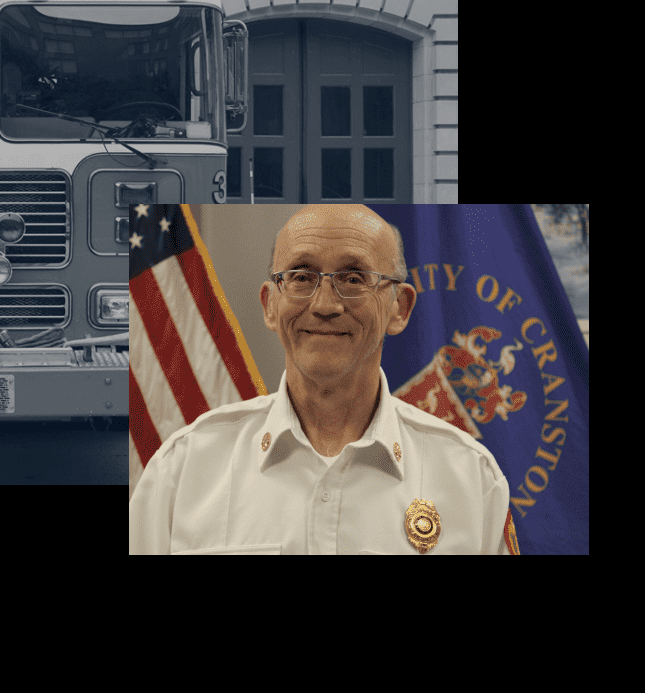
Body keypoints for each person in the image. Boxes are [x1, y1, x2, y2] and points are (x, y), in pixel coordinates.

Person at [128, 204, 518, 555]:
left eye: (353, 278)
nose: (325, 305)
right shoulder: (183, 470)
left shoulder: (470, 479)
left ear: (399, 308)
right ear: (270, 304)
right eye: (301, 276)